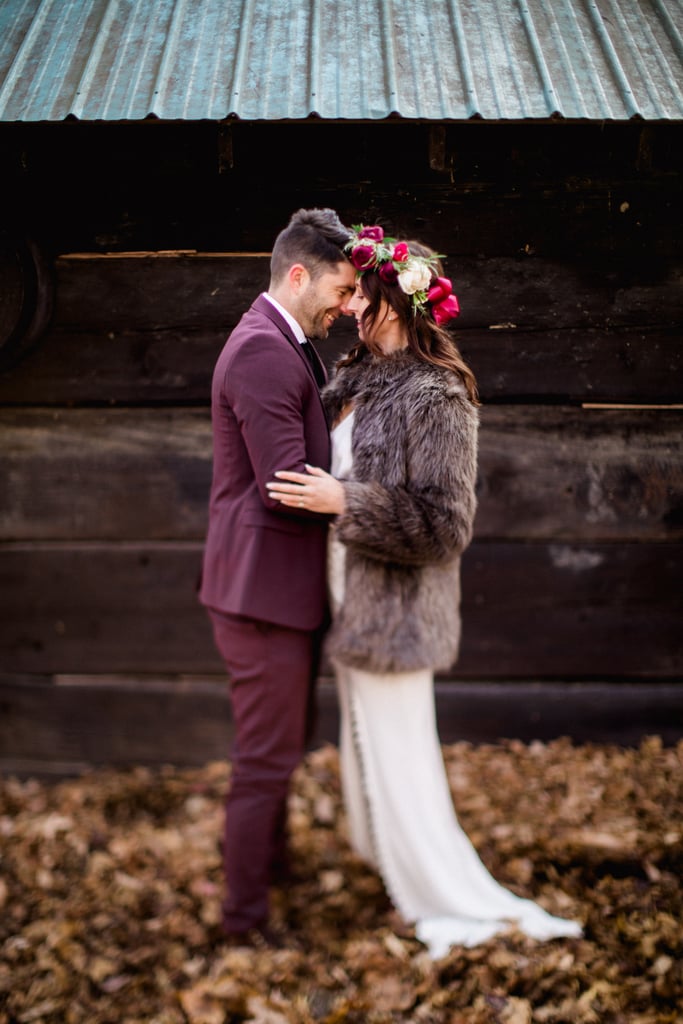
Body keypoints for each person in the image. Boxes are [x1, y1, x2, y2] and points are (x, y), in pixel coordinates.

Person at [267, 225, 583, 958]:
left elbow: (445, 527)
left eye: (361, 297)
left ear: (398, 304)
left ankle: (438, 891)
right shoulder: (355, 379)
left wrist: (346, 504)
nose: (349, 308)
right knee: (365, 749)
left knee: (400, 755)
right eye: (346, 295)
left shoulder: (437, 395)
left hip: (395, 614)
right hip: (346, 599)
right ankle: (387, 869)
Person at [199, 208, 356, 947]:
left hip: (275, 591)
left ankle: (270, 871)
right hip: (261, 594)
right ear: (298, 275)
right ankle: (242, 923)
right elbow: (285, 484)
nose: (346, 304)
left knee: (281, 748)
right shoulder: (263, 351)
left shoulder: (285, 343)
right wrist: (365, 493)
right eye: (340, 287)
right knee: (264, 761)